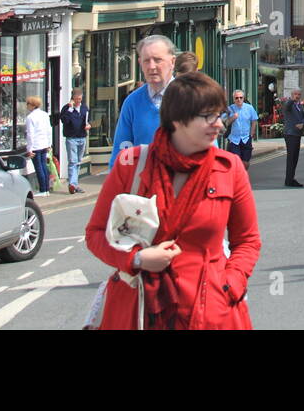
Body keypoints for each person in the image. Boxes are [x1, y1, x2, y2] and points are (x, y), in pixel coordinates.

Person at [85, 72, 261, 330]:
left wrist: (230, 285)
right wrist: (137, 259)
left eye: (219, 115)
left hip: (211, 309)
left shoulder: (229, 168)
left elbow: (248, 240)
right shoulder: (130, 166)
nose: (219, 125)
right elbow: (95, 234)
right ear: (178, 120)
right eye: (208, 116)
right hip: (140, 307)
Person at [110, 35, 177, 168]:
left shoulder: (191, 99)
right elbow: (122, 152)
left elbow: (208, 150)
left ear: (172, 62)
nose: (152, 66)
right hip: (144, 185)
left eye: (158, 60)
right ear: (140, 63)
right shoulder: (132, 102)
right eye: (147, 61)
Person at [56, 88, 91, 193]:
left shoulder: (85, 108)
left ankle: (75, 184)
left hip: (82, 137)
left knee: (78, 162)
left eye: (80, 99)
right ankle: (72, 184)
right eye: (76, 99)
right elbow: (64, 121)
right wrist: (70, 109)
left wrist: (89, 125)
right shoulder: (66, 109)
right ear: (72, 98)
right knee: (73, 162)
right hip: (71, 139)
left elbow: (88, 121)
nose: (78, 101)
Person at [24, 96, 53, 197]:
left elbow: (30, 134)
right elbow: (49, 130)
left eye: (28, 104)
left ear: (32, 105)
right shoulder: (45, 115)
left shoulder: (30, 117)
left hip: (36, 145)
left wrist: (29, 149)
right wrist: (49, 144)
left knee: (39, 167)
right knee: (44, 166)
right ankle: (47, 189)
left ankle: (42, 190)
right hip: (44, 144)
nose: (27, 106)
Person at [224, 89, 258, 165]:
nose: (239, 99)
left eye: (241, 97)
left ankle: (242, 175)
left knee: (245, 163)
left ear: (243, 98)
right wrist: (233, 117)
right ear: (233, 99)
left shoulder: (249, 108)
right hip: (234, 140)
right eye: (236, 98)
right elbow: (225, 123)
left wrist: (252, 133)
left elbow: (254, 120)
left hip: (246, 139)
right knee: (236, 162)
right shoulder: (230, 109)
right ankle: (238, 176)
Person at [282, 89, 304, 187]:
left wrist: (303, 123)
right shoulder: (289, 104)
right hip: (290, 134)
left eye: (299, 94)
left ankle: (291, 178)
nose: (297, 96)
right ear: (292, 95)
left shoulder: (299, 106)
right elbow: (287, 106)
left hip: (297, 134)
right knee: (291, 158)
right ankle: (289, 180)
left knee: (295, 158)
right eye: (295, 94)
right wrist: (292, 100)